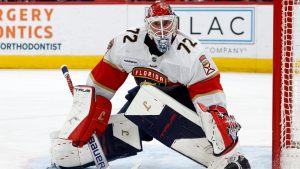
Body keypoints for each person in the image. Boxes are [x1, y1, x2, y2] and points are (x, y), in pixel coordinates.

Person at [49, 1, 251, 169]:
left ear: (176, 23)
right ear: (147, 25)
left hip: (183, 101)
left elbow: (209, 99)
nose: (162, 30)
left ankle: (227, 160)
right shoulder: (126, 45)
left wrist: (215, 122)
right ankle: (73, 154)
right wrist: (90, 113)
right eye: (156, 24)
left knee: (210, 128)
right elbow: (101, 84)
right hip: (145, 100)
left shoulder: (192, 54)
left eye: (167, 23)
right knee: (125, 127)